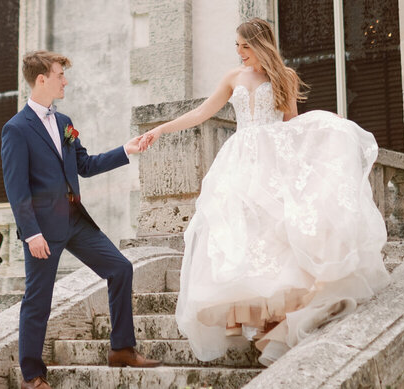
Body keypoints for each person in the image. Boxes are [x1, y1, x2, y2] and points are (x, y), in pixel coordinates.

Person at [143, 18, 391, 366]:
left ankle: (276, 325)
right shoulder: (233, 78)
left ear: (260, 45)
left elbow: (291, 124)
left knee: (280, 235)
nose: (240, 52)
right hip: (240, 162)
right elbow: (202, 112)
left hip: (276, 160)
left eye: (245, 46)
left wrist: (321, 138)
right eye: (237, 46)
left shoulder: (284, 77)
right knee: (242, 236)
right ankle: (253, 323)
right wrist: (159, 130)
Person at [1, 50, 162, 389]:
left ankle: (121, 349)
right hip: (43, 230)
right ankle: (32, 376)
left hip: (75, 220)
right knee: (38, 299)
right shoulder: (15, 129)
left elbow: (84, 165)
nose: (66, 81)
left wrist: (125, 150)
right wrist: (31, 234)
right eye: (60, 75)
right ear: (41, 79)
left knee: (120, 268)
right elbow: (17, 189)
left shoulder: (63, 122)